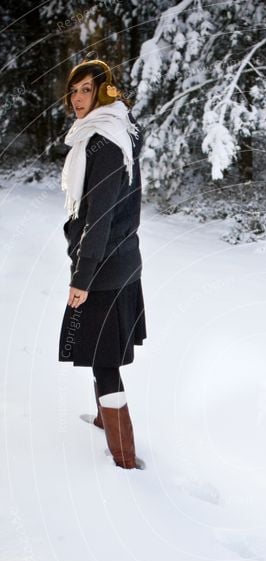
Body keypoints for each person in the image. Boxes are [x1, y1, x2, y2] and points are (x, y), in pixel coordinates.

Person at [58, 56, 147, 469]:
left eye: (86, 90)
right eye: (73, 90)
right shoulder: (110, 130)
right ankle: (102, 419)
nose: (77, 98)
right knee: (99, 350)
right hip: (117, 263)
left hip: (106, 270)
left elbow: (101, 217)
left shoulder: (106, 142)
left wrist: (83, 275)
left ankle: (125, 457)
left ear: (104, 92)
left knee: (105, 360)